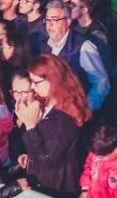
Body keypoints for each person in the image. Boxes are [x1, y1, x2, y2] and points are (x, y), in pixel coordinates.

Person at [15, 54, 91, 197]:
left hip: (55, 189)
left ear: (53, 81)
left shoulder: (65, 119)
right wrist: (30, 156)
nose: (32, 87)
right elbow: (46, 147)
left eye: (36, 82)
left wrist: (30, 126)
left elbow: (47, 162)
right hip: (46, 183)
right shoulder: (48, 104)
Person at [40, 0, 110, 111]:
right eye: (47, 20)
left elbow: (101, 82)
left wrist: (86, 108)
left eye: (55, 20)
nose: (50, 25)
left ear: (68, 21)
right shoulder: (45, 45)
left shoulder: (83, 47)